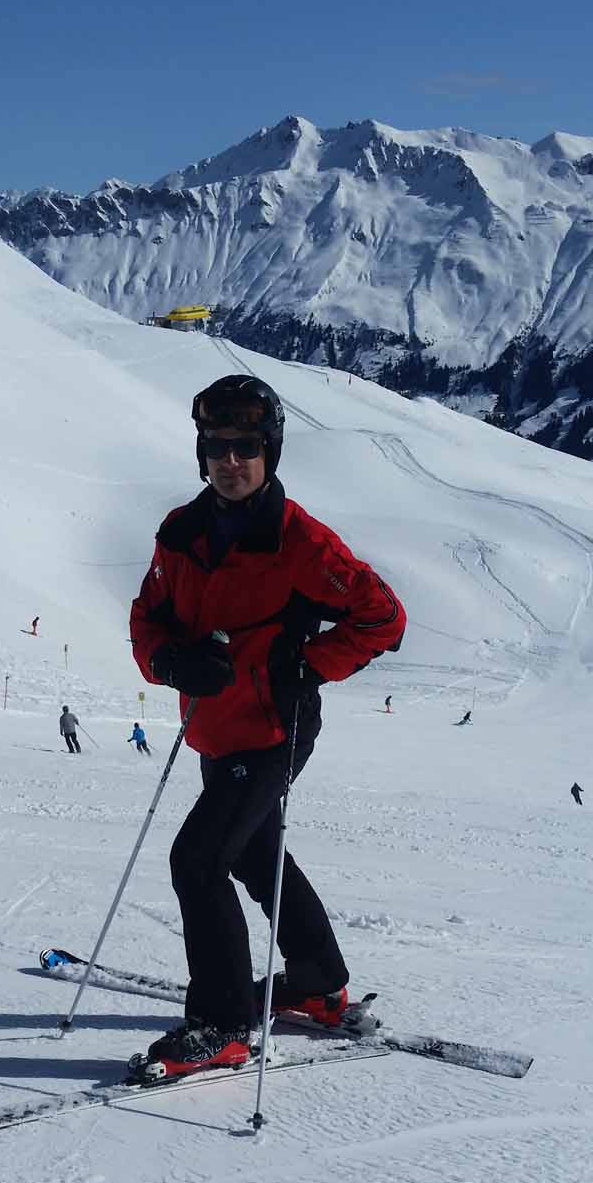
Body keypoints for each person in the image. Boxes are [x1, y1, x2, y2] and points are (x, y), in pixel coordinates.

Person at [130, 374, 406, 1077]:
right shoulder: (181, 532)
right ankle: (316, 981)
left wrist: (307, 667)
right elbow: (148, 616)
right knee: (253, 853)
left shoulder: (301, 542)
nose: (231, 461)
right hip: (213, 727)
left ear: (269, 451)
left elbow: (383, 618)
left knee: (198, 860)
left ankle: (221, 1025)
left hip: (276, 728)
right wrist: (169, 661)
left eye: (246, 447)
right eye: (217, 446)